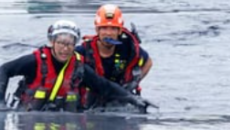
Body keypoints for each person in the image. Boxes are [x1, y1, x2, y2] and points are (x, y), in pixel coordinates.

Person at [0, 20, 154, 112]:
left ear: (75, 45)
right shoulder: (34, 61)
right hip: (28, 118)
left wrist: (132, 99)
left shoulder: (79, 68)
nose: (65, 48)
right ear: (52, 42)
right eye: (61, 42)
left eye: (70, 43)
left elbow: (104, 86)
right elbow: (4, 70)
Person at [76, 4, 153, 109]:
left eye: (113, 29)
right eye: (104, 28)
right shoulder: (84, 51)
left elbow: (148, 62)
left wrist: (134, 83)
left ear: (120, 31)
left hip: (122, 97)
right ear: (97, 30)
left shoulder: (128, 48)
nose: (108, 33)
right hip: (93, 99)